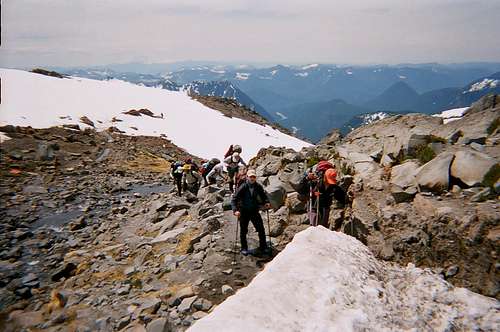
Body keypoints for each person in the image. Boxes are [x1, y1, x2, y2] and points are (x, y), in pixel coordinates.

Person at [231, 169, 271, 256]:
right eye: (250, 177)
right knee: (243, 231)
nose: (252, 178)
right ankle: (244, 248)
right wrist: (235, 211)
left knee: (261, 229)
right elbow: (234, 200)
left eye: (254, 177)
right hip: (243, 211)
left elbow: (263, 196)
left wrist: (266, 202)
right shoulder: (243, 187)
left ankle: (263, 247)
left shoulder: (258, 186)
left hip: (254, 210)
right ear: (247, 177)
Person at [297, 161, 345, 228]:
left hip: (325, 209)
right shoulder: (314, 183)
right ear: (324, 176)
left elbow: (342, 198)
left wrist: (349, 198)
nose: (329, 183)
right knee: (315, 227)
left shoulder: (333, 186)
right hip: (314, 207)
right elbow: (300, 190)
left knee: (323, 228)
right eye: (328, 181)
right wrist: (306, 179)